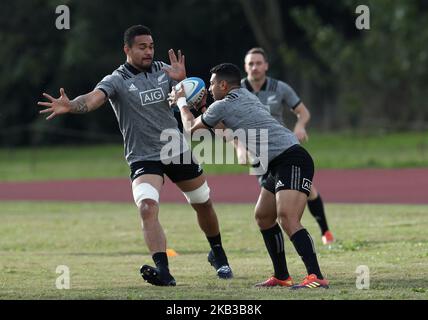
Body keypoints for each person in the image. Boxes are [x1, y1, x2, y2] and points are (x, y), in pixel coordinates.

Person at [37, 25, 232, 286]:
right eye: (142, 47)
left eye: (151, 46)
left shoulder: (166, 71)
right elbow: (94, 99)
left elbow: (189, 102)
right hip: (143, 157)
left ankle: (218, 254)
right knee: (147, 207)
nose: (148, 52)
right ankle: (163, 270)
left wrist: (182, 82)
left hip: (176, 149)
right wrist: (72, 105)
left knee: (203, 203)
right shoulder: (116, 79)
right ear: (127, 49)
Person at [169, 63, 329, 289]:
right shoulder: (244, 95)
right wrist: (204, 106)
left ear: (224, 85)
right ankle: (282, 276)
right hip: (276, 163)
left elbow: (191, 128)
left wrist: (182, 101)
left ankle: (317, 276)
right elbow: (221, 126)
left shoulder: (223, 105)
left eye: (213, 83)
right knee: (263, 217)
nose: (211, 87)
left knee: (288, 218)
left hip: (291, 158)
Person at [241, 47, 334, 246]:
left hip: (282, 149)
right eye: (251, 64)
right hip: (257, 154)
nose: (255, 67)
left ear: (266, 66)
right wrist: (239, 148)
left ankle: (325, 231)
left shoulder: (280, 88)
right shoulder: (238, 91)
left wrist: (300, 126)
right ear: (245, 67)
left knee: (307, 191)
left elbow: (303, 112)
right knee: (271, 202)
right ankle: (283, 245)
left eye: (258, 63)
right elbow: (228, 124)